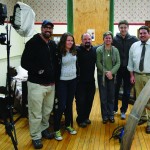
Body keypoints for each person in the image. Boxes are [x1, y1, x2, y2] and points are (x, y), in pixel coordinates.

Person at [21, 20, 57, 149]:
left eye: (50, 28)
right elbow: (24, 62)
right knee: (35, 113)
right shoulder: (33, 43)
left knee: (47, 110)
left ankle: (44, 129)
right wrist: (38, 70)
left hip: (51, 85)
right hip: (36, 84)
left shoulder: (52, 44)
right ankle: (35, 136)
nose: (48, 30)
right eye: (46, 27)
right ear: (41, 28)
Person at [54, 32, 77, 141]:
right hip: (62, 82)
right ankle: (56, 129)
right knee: (61, 106)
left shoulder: (74, 51)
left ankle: (68, 125)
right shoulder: (58, 52)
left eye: (71, 40)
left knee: (69, 104)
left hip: (73, 80)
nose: (70, 42)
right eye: (68, 40)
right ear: (64, 41)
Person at [113, 20, 138, 119]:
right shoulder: (115, 39)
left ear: (128, 28)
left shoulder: (134, 39)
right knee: (115, 90)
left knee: (127, 92)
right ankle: (114, 109)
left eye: (125, 27)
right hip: (117, 69)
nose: (123, 29)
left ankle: (123, 110)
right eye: (121, 27)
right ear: (119, 28)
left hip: (129, 70)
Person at [127, 26, 150, 134]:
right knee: (140, 99)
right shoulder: (134, 46)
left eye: (144, 33)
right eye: (140, 33)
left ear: (148, 34)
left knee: (149, 101)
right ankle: (143, 117)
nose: (142, 35)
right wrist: (132, 76)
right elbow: (130, 63)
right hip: (137, 75)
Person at [96, 31, 120, 124]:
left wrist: (111, 72)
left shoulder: (115, 50)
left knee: (111, 97)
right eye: (106, 38)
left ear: (112, 39)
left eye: (109, 38)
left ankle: (111, 115)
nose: (108, 39)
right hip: (102, 76)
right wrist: (106, 72)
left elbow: (118, 63)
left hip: (112, 77)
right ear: (103, 39)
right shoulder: (99, 50)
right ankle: (105, 116)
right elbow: (98, 63)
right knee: (103, 97)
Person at [75, 33, 96, 128]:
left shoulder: (94, 50)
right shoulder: (77, 50)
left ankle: (86, 117)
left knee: (89, 100)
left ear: (91, 40)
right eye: (85, 39)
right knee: (80, 101)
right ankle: (80, 119)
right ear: (82, 40)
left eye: (89, 39)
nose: (87, 41)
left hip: (91, 81)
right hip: (80, 82)